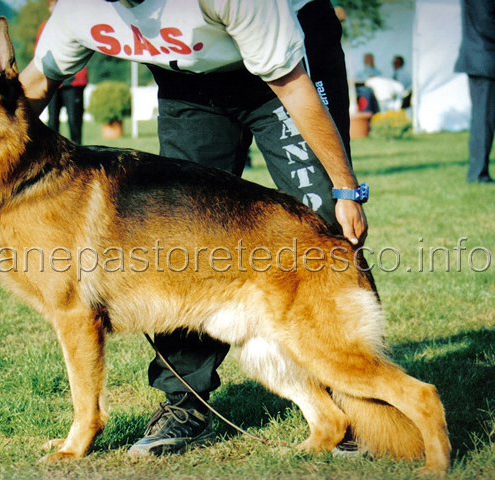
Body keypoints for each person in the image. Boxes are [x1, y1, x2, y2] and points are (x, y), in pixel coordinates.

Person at [20, 0, 368, 457]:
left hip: (288, 68)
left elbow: (293, 87)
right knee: (176, 245)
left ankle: (362, 401)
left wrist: (345, 189)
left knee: (322, 229)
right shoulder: (78, 10)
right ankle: (185, 402)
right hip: (190, 86)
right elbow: (33, 87)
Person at [454, 0, 495, 184]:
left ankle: (479, 171)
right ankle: (478, 173)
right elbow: (486, 22)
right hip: (484, 58)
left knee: (484, 118)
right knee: (483, 118)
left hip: (482, 58)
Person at [37, 0, 88, 144]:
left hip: (73, 82)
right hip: (53, 81)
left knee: (74, 122)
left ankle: (80, 159)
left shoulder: (76, 24)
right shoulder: (45, 27)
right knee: (52, 123)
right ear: (49, 7)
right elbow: (39, 54)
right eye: (53, 5)